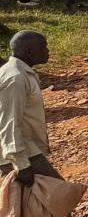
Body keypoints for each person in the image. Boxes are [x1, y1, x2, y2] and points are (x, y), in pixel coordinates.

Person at [1, 31, 63, 190]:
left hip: (25, 148)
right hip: (17, 154)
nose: (48, 51)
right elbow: (10, 121)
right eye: (43, 47)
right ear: (29, 52)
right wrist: (21, 165)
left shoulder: (21, 72)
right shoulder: (15, 78)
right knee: (56, 195)